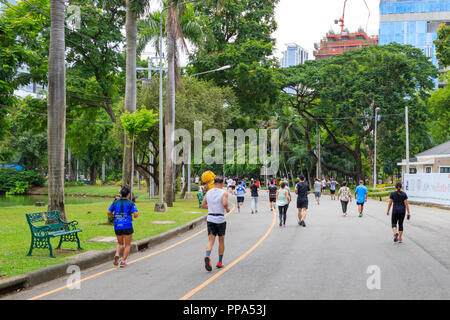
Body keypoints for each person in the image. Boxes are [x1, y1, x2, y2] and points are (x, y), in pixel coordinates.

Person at [201, 176, 231, 271]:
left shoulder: (208, 192)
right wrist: (226, 209)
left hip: (210, 218)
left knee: (211, 241)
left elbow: (203, 205)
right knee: (221, 240)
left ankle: (207, 256)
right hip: (220, 219)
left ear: (214, 183)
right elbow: (224, 203)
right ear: (222, 184)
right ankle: (219, 262)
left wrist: (211, 208)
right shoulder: (224, 192)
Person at [107, 186, 138, 268]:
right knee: (127, 245)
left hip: (117, 226)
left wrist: (114, 215)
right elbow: (135, 214)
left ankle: (117, 254)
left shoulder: (115, 202)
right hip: (127, 226)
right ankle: (123, 261)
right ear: (128, 194)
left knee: (120, 243)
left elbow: (108, 212)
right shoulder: (130, 203)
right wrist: (134, 216)